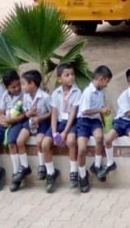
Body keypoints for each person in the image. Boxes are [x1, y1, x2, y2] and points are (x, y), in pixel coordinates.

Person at [98, 66, 130, 181]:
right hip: (121, 121)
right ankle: (110, 163)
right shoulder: (124, 96)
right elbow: (128, 113)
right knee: (108, 139)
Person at [42, 63, 82, 193]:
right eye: (67, 75)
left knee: (70, 141)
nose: (71, 77)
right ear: (59, 79)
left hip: (71, 123)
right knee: (45, 144)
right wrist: (54, 133)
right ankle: (51, 173)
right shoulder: (56, 93)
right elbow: (54, 114)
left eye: (72, 74)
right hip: (58, 122)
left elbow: (73, 113)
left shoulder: (77, 92)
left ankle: (73, 172)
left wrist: (64, 132)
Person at [9, 70, 51, 191]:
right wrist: (29, 114)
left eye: (23, 84)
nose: (22, 87)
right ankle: (25, 166)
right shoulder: (26, 96)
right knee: (19, 140)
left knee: (39, 141)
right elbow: (26, 112)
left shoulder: (45, 97)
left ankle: (42, 165)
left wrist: (39, 118)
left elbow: (51, 113)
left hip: (42, 122)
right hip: (31, 121)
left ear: (32, 84)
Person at [74, 65, 113, 193]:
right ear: (101, 79)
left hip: (95, 120)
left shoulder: (100, 93)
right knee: (82, 148)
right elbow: (85, 111)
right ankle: (82, 175)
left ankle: (96, 166)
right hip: (84, 121)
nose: (106, 85)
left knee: (99, 137)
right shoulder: (87, 92)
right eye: (106, 81)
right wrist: (100, 110)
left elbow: (100, 109)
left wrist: (104, 122)